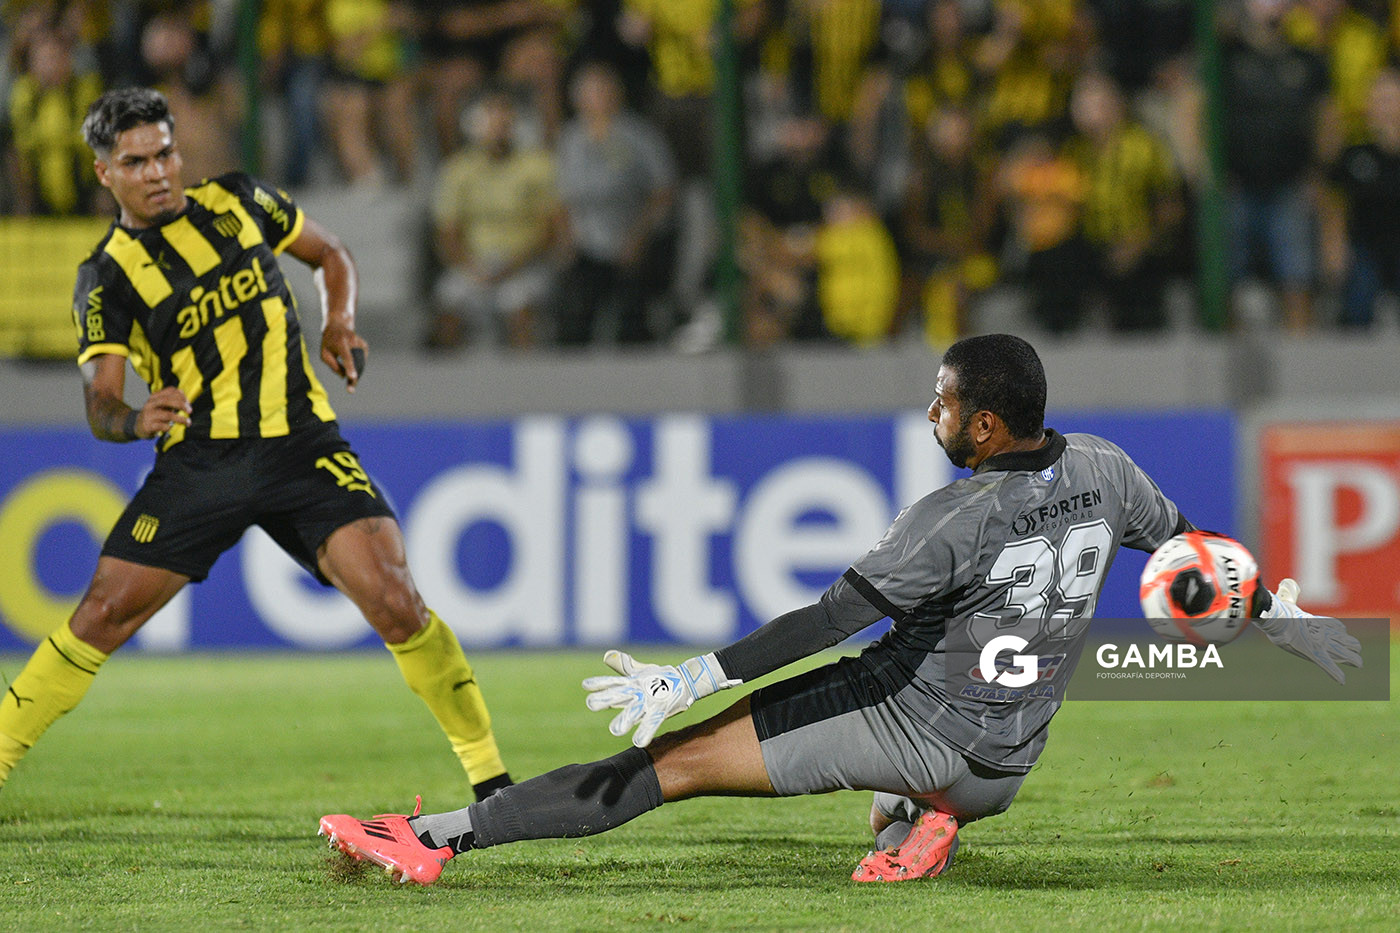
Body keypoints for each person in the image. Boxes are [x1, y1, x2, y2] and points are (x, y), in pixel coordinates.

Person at [319, 333, 1361, 885]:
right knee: (932, 709)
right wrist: (1283, 620)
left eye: (946, 400)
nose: (932, 411)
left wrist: (690, 676)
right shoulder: (1108, 468)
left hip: (909, 727)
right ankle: (924, 824)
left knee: (668, 765)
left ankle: (430, 838)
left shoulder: (949, 516)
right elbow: (1195, 556)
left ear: (987, 426)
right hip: (1004, 770)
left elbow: (826, 624)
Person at [0, 88, 512, 802]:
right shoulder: (106, 277)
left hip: (301, 444)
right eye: (136, 161)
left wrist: (340, 322)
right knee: (101, 614)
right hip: (201, 461)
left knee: (397, 598)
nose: (157, 172)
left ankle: (493, 779)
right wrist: (132, 419)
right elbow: (100, 400)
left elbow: (330, 252)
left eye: (166, 153)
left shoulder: (239, 199)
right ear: (104, 173)